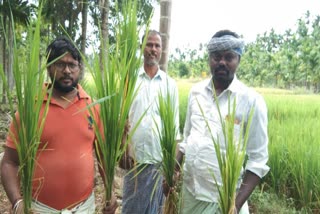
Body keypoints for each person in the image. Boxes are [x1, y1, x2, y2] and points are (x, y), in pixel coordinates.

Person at [0, 37, 117, 214]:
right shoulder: (30, 109)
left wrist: (110, 191)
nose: (67, 70)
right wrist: (17, 203)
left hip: (83, 208)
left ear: (80, 68)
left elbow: (103, 158)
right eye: (60, 64)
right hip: (39, 209)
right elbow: (9, 162)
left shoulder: (93, 107)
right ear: (49, 67)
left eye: (72, 64)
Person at [175, 30, 270, 213]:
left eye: (229, 57)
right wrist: (174, 170)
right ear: (209, 59)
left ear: (238, 60)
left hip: (223, 202)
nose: (222, 62)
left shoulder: (251, 101)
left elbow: (258, 160)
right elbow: (187, 139)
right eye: (216, 57)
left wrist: (235, 205)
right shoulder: (195, 93)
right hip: (190, 194)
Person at [119, 30, 180, 214]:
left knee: (155, 209)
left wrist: (172, 169)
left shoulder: (170, 85)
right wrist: (123, 148)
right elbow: (122, 120)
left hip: (159, 164)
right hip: (134, 163)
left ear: (161, 50)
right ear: (142, 47)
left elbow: (174, 129)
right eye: (149, 44)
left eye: (157, 45)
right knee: (131, 208)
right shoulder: (129, 81)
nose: (153, 49)